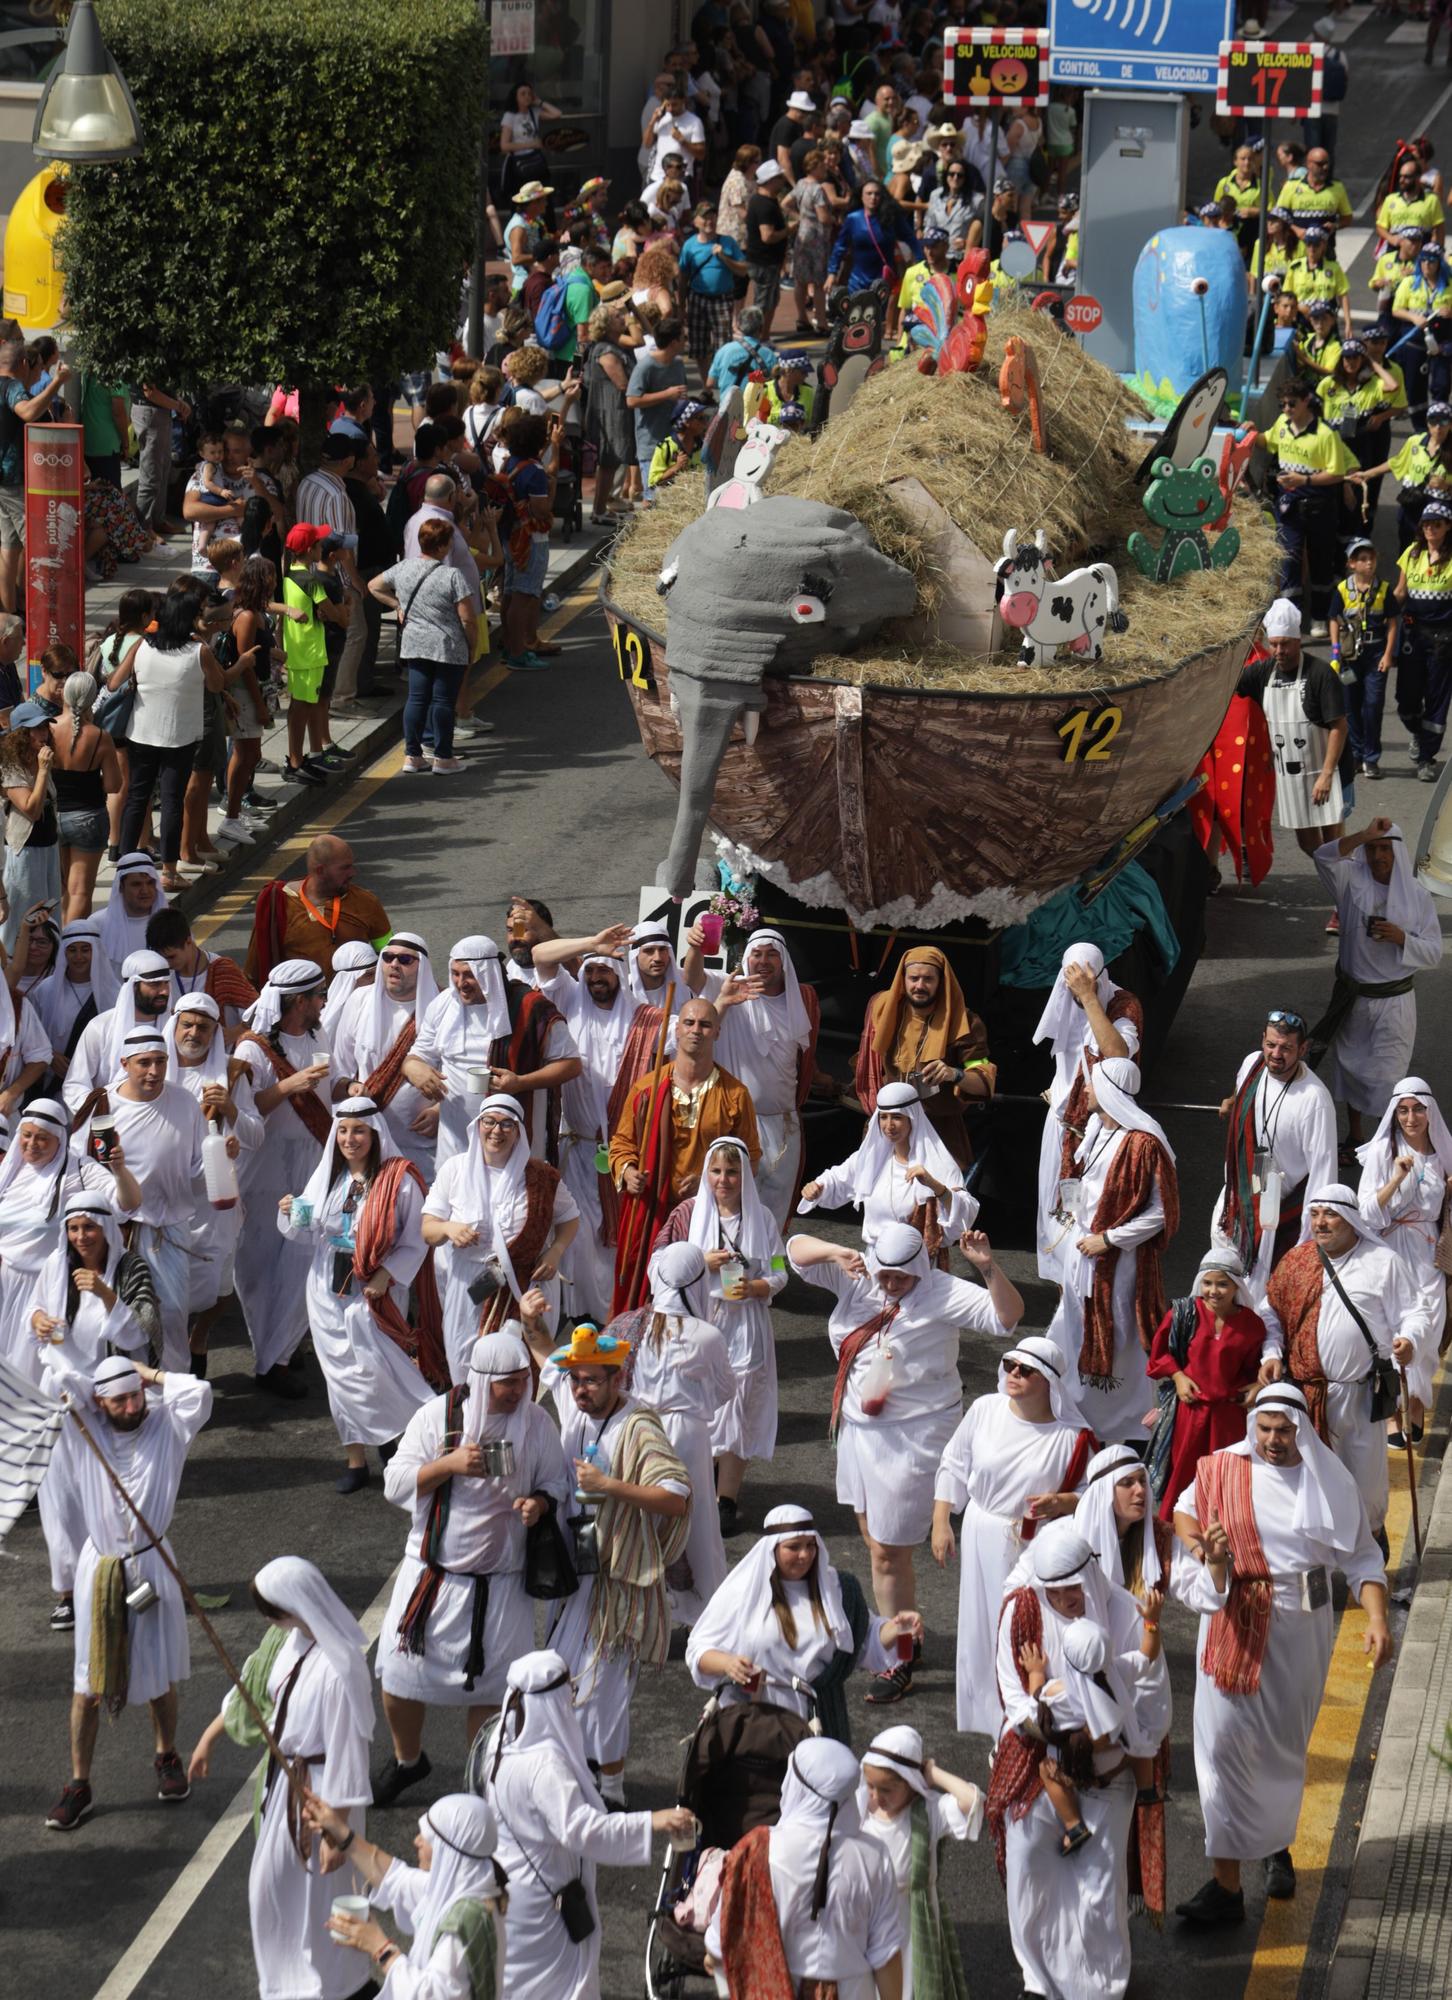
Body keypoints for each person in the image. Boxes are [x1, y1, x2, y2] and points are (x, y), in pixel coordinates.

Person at [1173, 1385, 1390, 1925]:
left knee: (1279, 1751)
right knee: (1220, 1748)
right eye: (1265, 1429)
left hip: (1299, 1628)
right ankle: (1225, 1886)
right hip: (1229, 1620)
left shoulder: (1330, 1479)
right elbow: (1183, 1511)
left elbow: (1362, 1557)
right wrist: (1205, 1551)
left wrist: (1379, 1620)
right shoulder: (1222, 1468)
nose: (1273, 1440)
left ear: (1301, 1430)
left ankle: (1276, 1847)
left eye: (1284, 1430)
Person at [790, 1221, 1022, 1692]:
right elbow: (793, 1250)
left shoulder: (943, 1292)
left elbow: (1007, 1318)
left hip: (915, 1436)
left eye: (902, 1277)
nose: (891, 1284)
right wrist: (836, 1252)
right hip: (857, 1429)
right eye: (885, 1276)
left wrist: (988, 1268)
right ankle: (897, 1627)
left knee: (889, 1551)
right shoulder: (858, 1275)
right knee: (872, 1538)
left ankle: (899, 1652)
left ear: (919, 1268)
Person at [372, 1326, 571, 1806]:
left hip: (501, 1587)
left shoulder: (535, 1424)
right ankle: (408, 1760)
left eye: (524, 1380)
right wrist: (449, 1465)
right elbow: (394, 1483)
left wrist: (540, 1506)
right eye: (510, 1384)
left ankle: (480, 1778)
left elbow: (557, 1482)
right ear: (483, 1382)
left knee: (490, 1693)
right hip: (434, 1581)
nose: (521, 1391)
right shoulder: (435, 1419)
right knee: (398, 1681)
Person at [988, 1521, 1169, 1998]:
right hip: (1041, 1763)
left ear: (1091, 1573)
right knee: (1028, 1870)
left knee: (1099, 1892)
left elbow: (1151, 1696)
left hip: (1109, 1777)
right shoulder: (1022, 1611)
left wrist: (1099, 1733)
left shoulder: (1124, 1614)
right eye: (1057, 1591)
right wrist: (1057, 1728)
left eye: (1074, 1588)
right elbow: (1017, 1698)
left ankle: (1101, 1988)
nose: (1067, 1599)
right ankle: (1037, 1981)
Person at [185, 1557, 374, 2000]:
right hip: (288, 1787)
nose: (271, 1621)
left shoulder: (338, 1667)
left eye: (275, 1611)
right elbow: (253, 1690)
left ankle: (330, 1986)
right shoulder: (290, 1641)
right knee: (270, 1893)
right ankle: (288, 1985)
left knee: (317, 1902)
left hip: (322, 1799)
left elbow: (348, 1753)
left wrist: (336, 1832)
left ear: (297, 1606)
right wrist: (209, 1738)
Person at [43, 1353, 212, 1832]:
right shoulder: (85, 1427)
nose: (132, 1404)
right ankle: (79, 1785)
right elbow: (63, 1379)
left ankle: (166, 1758)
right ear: (101, 1401)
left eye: (135, 1395)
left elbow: (198, 1392)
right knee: (87, 1684)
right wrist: (63, 1354)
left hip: (153, 1563)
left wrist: (149, 1374)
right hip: (101, 1571)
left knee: (159, 1676)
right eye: (119, 1399)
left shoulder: (166, 1424)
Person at [481, 1648, 695, 2000]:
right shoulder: (545, 1767)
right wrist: (652, 1822)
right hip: (544, 1901)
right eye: (571, 1690)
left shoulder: (500, 1744)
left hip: (510, 1890)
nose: (574, 1699)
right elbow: (581, 1830)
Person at [541, 1321, 690, 1804]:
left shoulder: (638, 1425)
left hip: (622, 1576)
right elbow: (544, 1355)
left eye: (590, 1380)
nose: (580, 1389)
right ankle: (578, 1770)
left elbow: (676, 1497)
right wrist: (529, 1321)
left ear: (616, 1379)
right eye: (575, 1380)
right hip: (579, 1571)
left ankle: (613, 1789)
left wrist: (611, 1489)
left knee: (605, 1690)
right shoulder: (579, 1410)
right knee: (564, 1678)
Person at [932, 1335, 1097, 1738]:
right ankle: (992, 1722)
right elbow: (954, 1464)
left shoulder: (1073, 1437)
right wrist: (940, 1522)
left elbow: (1096, 1495)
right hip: (982, 1531)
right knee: (984, 1623)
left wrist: (1064, 1502)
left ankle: (1024, 1715)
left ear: (1051, 1383)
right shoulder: (985, 1410)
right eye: (1010, 1366)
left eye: (1026, 1370)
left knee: (1025, 1628)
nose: (1014, 1375)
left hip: (1035, 1545)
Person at [280, 1097, 442, 1492]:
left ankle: (402, 1441)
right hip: (325, 1288)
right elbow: (306, 1232)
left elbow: (413, 1240)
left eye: (359, 1131)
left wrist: (386, 1276)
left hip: (373, 1288)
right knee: (338, 1376)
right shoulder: (328, 1178)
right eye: (344, 1131)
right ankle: (355, 1460)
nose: (350, 1139)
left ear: (375, 1134)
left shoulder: (399, 1180)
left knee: (379, 1369)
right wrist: (289, 1211)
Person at [1260, 1184, 1427, 1546]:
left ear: (1351, 1219)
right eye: (1315, 1214)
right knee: (1305, 1483)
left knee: (1364, 1480)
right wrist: (1271, 1354)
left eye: (1330, 1214)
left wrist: (1408, 1340)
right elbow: (1270, 1314)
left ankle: (1370, 1546)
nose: (1320, 1223)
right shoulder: (1297, 1261)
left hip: (1362, 1396)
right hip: (1305, 1397)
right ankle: (1314, 1560)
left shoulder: (1382, 1263)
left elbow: (1414, 1311)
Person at [29, 1191, 158, 1629]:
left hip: (109, 1402)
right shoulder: (57, 1267)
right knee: (61, 1498)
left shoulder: (130, 1268)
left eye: (89, 1227)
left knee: (112, 1498)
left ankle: (117, 1579)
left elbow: (144, 1333)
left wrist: (107, 1296)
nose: (81, 1237)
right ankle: (68, 1591)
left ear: (107, 1228)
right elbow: (37, 1309)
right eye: (73, 1228)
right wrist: (38, 1322)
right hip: (61, 1399)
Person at [1046, 1056, 1180, 1446]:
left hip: (1117, 1260)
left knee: (1118, 1330)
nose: (1085, 1090)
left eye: (1091, 1084)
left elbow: (1161, 1212)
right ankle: (1074, 1408)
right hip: (1081, 1249)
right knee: (1073, 1324)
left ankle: (1122, 1421)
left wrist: (1110, 1239)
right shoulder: (1095, 1128)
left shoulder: (1143, 1144)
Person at [708, 1737, 905, 2000]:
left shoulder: (758, 1850)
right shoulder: (875, 1856)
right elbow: (886, 1954)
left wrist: (713, 1957)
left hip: (775, 1986)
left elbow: (723, 1935)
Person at [656, 1135, 786, 1528]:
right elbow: (659, 1265)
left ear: (744, 1175)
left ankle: (726, 1498)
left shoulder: (761, 1218)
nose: (724, 1180)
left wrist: (760, 1287)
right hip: (699, 1318)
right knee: (699, 1403)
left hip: (746, 1322)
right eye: (716, 1171)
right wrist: (699, 1261)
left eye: (732, 1172)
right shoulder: (686, 1215)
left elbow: (779, 1267)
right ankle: (695, 1478)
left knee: (741, 1403)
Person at [603, 1241, 733, 1620]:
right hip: (688, 1435)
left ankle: (638, 1611)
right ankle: (703, 1615)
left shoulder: (627, 1325)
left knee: (640, 1519)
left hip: (638, 1431)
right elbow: (726, 1391)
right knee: (697, 1525)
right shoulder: (707, 1335)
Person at [608, 996, 759, 1313]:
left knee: (704, 1292)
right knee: (648, 1286)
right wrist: (627, 1170)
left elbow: (751, 1158)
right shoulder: (647, 1089)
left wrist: (711, 1184)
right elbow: (622, 1143)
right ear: (676, 1030)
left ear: (717, 1032)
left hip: (707, 1213)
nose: (696, 1030)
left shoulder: (734, 1095)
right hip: (653, 1208)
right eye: (689, 1023)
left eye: (705, 1024)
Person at [232, 959, 334, 1397]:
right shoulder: (251, 1050)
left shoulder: (317, 1035)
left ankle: (279, 1355)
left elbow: (332, 1086)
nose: (323, 1003)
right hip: (264, 1172)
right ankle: (270, 1347)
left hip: (310, 1164)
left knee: (299, 1258)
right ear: (297, 1001)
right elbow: (244, 1114)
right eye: (317, 996)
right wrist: (292, 1086)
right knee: (258, 1265)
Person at [422, 1093, 579, 1376]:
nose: (497, 1131)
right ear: (477, 1125)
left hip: (523, 1285)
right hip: (470, 1283)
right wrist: (448, 1228)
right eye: (490, 1122)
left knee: (515, 1368)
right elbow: (428, 1230)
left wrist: (555, 1251)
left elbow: (569, 1218)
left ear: (519, 1130)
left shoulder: (540, 1176)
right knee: (465, 1364)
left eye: (507, 1124)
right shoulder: (455, 1169)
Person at [302, 1792, 507, 2000]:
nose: (416, 1841)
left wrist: (380, 1948)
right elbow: (395, 1878)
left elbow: (431, 1996)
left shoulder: (465, 1920)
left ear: (447, 1849)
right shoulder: (464, 1887)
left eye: (426, 1838)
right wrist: (339, 1830)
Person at [1312, 819, 1442, 1141]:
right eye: (1372, 848)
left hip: (1393, 1004)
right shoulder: (1349, 882)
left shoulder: (1417, 898)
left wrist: (1402, 938)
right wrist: (1362, 835)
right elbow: (1322, 856)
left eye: (1385, 848)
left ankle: (1387, 1145)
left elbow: (1434, 953)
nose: (1378, 856)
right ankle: (1355, 1136)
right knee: (1351, 1069)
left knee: (1388, 1078)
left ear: (1397, 852)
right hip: (1352, 998)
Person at [681, 923, 818, 1227]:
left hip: (783, 1124)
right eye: (756, 954)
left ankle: (772, 1272)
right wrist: (694, 946)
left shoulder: (801, 1001)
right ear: (746, 958)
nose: (764, 961)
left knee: (776, 1208)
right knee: (729, 1205)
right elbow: (691, 977)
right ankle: (727, 1271)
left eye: (772, 955)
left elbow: (801, 1060)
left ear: (783, 961)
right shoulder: (728, 987)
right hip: (735, 1122)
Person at [406, 935, 581, 1171]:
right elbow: (416, 1056)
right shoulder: (442, 1005)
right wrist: (413, 1068)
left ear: (488, 972)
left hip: (514, 1142)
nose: (461, 983)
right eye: (455, 974)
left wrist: (520, 1083)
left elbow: (570, 1064)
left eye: (469, 975)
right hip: (455, 1147)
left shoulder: (531, 1008)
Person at [98, 1025, 210, 1373]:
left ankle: (175, 1400)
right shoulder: (102, 1105)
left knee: (174, 1315)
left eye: (161, 1061)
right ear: (124, 1063)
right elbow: (85, 1168)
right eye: (144, 1062)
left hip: (171, 1230)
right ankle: (126, 1396)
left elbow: (198, 1166)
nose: (154, 1071)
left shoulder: (184, 1101)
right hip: (119, 1232)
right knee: (124, 1316)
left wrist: (223, 1154)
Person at [1032, 943, 1143, 1284]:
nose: (1075, 989)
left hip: (1102, 1130)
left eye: (1085, 980)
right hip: (1062, 1126)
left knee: (1091, 1218)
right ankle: (1064, 1297)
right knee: (1056, 1215)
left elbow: (1116, 1054)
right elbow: (1065, 1053)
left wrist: (1090, 998)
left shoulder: (1122, 1004)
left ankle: (1090, 1294)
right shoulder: (1065, 997)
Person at [163, 992, 258, 1377]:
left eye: (203, 1027)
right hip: (166, 1196)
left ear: (215, 1033)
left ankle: (200, 1335)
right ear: (174, 1026)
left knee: (218, 1287)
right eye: (187, 1024)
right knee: (167, 1289)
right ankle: (171, 1356)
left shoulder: (231, 1075)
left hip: (215, 1197)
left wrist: (233, 1114)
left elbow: (256, 1135)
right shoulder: (152, 1068)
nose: (193, 1032)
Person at [1212, 1008, 1338, 1295]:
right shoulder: (1252, 1065)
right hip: (1236, 1195)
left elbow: (1323, 1172)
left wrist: (1308, 1240)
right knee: (1220, 1281)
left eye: (1286, 1048)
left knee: (1256, 1294)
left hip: (1276, 1212)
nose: (1276, 1054)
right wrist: (1232, 1100)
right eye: (1271, 1044)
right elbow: (1240, 1090)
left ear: (1303, 1049)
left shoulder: (1314, 1100)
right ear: (1262, 1041)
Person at [1357, 1077, 1452, 1444]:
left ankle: (1416, 1404)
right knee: (1391, 1329)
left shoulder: (1443, 1151)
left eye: (1417, 1110)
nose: (1410, 1118)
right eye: (1403, 1110)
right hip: (1388, 1250)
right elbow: (1364, 1211)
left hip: (1428, 1253)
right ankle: (1394, 1413)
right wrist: (1396, 1178)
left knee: (1428, 1328)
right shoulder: (1383, 1152)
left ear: (1429, 1112)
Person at [118, 586, 229, 895]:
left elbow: (114, 681)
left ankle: (126, 867)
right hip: (179, 738)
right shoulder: (198, 651)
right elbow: (218, 684)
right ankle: (168, 871)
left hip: (140, 734)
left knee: (137, 799)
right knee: (171, 802)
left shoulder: (142, 645)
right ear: (188, 619)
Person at [858, 1726, 982, 2000]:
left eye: (887, 1790)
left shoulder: (929, 1811)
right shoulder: (862, 1811)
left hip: (911, 1922)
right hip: (869, 1917)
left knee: (912, 1986)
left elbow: (971, 1800)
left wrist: (933, 1773)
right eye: (870, 1787)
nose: (877, 1797)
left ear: (910, 1782)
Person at [1146, 1252, 1266, 1522]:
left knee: (1226, 1480)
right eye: (1208, 1283)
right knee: (1182, 1476)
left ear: (1237, 1286)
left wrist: (1258, 1385)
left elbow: (1256, 1368)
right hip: (1190, 1415)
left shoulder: (1252, 1325)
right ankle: (1172, 1541)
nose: (1214, 1291)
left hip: (1229, 1418)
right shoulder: (1184, 1314)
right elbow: (1159, 1356)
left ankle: (1223, 1546)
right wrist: (1178, 1376)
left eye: (1222, 1284)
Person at [853, 945, 993, 1170]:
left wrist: (953, 1074)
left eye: (928, 979)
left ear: (941, 981)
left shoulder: (964, 1021)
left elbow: (983, 1081)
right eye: (914, 978)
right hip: (889, 1128)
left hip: (937, 1133)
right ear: (903, 979)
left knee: (931, 1203)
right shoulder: (884, 1010)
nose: (919, 985)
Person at [1237, 598, 1351, 872]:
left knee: (1332, 843)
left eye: (1285, 644)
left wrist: (1325, 775)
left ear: (1298, 641)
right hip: (1292, 772)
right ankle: (1348, 881)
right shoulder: (1264, 672)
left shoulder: (1321, 675)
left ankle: (1347, 896)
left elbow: (1339, 726)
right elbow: (1229, 683)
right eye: (1274, 644)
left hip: (1330, 769)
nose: (1279, 651)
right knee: (1309, 844)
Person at [801, 1079, 976, 1254]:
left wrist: (934, 1185)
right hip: (877, 1261)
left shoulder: (939, 1163)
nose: (889, 1125)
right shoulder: (872, 1159)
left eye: (897, 1117)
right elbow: (837, 1179)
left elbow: (966, 1213)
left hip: (919, 1264)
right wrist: (816, 1187)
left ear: (912, 1118)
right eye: (883, 1117)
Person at [369, 519, 478, 774]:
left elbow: (373, 586)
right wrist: (471, 645)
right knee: (442, 701)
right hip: (447, 646)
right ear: (442, 546)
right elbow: (467, 618)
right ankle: (443, 757)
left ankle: (412, 755)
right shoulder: (452, 576)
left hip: (414, 644)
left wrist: (398, 605)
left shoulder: (404, 568)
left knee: (416, 699)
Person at [329, 930, 440, 1173]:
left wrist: (440, 1111)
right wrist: (349, 1086)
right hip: (368, 1142)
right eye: (388, 957)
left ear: (423, 967)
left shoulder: (441, 1005)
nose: (394, 965)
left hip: (423, 1146)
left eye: (405, 960)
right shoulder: (360, 1000)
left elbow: (460, 1072)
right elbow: (340, 1067)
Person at [1262, 383, 1359, 638]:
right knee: (1289, 561)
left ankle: (1319, 616)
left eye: (1291, 403)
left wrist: (1303, 480)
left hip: (1319, 505)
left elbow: (1337, 473)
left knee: (1320, 563)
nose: (1286, 409)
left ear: (1306, 401)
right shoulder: (1282, 424)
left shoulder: (1327, 434)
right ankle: (1290, 620)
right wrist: (1246, 432)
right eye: (1282, 404)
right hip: (1288, 505)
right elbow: (1266, 441)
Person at [245, 836, 391, 984]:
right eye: (345, 868)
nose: (352, 873)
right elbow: (255, 969)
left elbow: (389, 954)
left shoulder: (367, 902)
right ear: (320, 870)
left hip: (354, 1002)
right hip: (301, 1005)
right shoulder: (280, 903)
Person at [48, 673, 122, 923]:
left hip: (52, 815)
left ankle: (54, 945)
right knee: (80, 890)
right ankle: (74, 946)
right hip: (88, 816)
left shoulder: (47, 728)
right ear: (92, 699)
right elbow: (114, 785)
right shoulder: (100, 736)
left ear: (65, 694)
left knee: (58, 890)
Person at [1392, 497, 1452, 780]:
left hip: (1444, 640)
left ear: (1447, 527)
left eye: (1436, 524)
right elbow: (1401, 592)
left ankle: (1427, 758)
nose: (1430, 529)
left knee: (1437, 700)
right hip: (1412, 635)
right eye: (1426, 524)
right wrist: (1380, 609)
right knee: (1406, 697)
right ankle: (1416, 731)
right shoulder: (1412, 553)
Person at [1329, 536, 1397, 780]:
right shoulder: (1342, 590)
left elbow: (1392, 624)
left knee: (1373, 705)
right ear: (1352, 564)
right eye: (1363, 559)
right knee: (1351, 706)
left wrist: (1388, 655)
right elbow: (1334, 620)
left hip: (1375, 653)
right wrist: (1335, 654)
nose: (1369, 564)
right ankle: (1356, 754)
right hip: (1349, 657)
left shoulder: (1384, 589)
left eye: (1372, 559)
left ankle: (1371, 758)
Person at [146, 904, 258, 1041]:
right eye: (162, 958)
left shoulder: (223, 970)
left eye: (171, 957)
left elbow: (259, 1010)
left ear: (188, 941)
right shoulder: (162, 974)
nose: (167, 964)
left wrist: (234, 1034)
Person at [0, 701, 62, 949]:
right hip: (25, 852)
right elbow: (32, 810)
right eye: (36, 728)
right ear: (21, 734)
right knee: (24, 919)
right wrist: (43, 770)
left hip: (48, 849)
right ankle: (12, 971)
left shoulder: (37, 761)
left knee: (50, 919)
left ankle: (49, 969)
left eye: (45, 726)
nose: (43, 733)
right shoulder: (10, 768)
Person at [30, 918, 120, 1083]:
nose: (78, 957)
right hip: (53, 1080)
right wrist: (51, 1055)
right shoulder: (45, 990)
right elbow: (31, 1036)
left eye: (85, 949)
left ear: (96, 950)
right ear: (64, 953)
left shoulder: (114, 992)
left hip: (99, 1080)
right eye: (72, 950)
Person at [679, 203, 749, 371]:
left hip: (722, 298)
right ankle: (707, 387)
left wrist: (724, 257)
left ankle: (723, 381)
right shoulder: (689, 246)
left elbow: (743, 271)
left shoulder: (727, 242)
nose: (709, 221)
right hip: (697, 298)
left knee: (723, 345)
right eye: (704, 217)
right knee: (699, 346)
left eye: (712, 216)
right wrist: (681, 306)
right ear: (696, 221)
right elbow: (683, 278)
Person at [626, 317, 688, 504]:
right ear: (673, 342)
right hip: (651, 442)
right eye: (683, 337)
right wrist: (666, 394)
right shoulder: (646, 367)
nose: (686, 341)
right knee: (652, 496)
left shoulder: (677, 363)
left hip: (674, 441)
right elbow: (631, 400)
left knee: (671, 497)